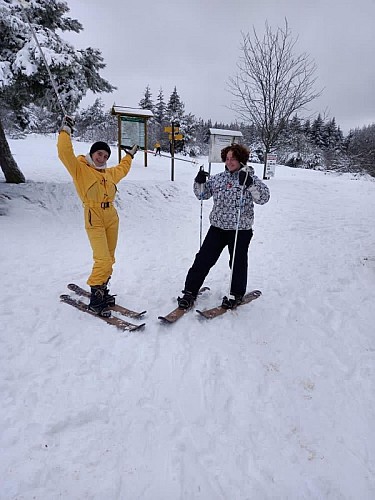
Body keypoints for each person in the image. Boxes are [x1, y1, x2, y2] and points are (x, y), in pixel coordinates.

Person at [57, 115, 139, 317]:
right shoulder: (80, 170)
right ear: (92, 153)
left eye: (105, 156)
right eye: (99, 154)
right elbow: (64, 152)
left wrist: (129, 155)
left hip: (111, 216)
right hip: (93, 215)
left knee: (110, 258)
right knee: (102, 258)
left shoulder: (109, 173)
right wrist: (65, 131)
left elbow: (123, 169)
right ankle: (96, 297)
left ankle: (102, 289)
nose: (102, 158)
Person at [177, 143, 270, 310]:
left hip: (240, 230)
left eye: (233, 158)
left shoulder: (250, 178)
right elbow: (202, 195)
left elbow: (263, 198)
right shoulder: (218, 178)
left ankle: (236, 294)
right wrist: (199, 182)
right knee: (203, 259)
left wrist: (249, 184)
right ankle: (189, 292)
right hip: (217, 228)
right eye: (227, 159)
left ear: (241, 159)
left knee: (237, 263)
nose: (229, 162)